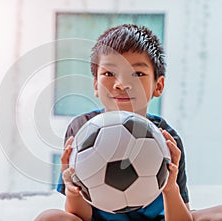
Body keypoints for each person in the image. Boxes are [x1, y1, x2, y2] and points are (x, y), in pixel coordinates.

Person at [34, 24, 222, 221]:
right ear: (95, 85)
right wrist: (73, 190)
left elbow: (180, 218)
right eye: (109, 73)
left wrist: (170, 187)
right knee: (50, 217)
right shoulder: (82, 130)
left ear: (158, 86)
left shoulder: (166, 137)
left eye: (138, 74)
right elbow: (79, 217)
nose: (121, 84)